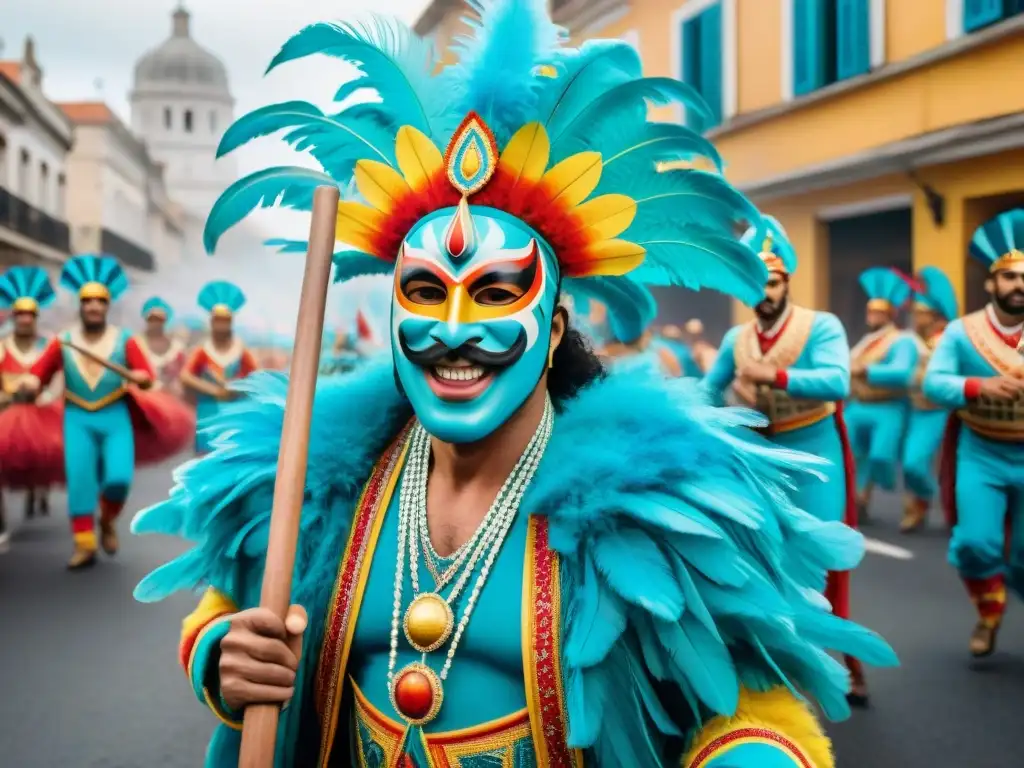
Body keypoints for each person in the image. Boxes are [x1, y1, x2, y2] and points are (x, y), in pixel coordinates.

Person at [132, 2, 895, 765]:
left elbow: (745, 698)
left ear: (555, 328)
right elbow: (228, 606)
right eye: (425, 293)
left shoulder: (655, 510)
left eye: (495, 294)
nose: (454, 328)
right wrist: (222, 658)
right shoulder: (314, 481)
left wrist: (751, 753)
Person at [702, 217, 869, 705]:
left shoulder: (822, 326)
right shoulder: (736, 339)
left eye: (772, 282)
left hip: (815, 450)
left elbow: (838, 381)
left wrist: (772, 375)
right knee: (761, 559)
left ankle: (816, 669)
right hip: (764, 455)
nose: (765, 293)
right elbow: (709, 389)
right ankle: (777, 658)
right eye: (756, 283)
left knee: (816, 560)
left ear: (787, 282)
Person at [923, 208, 1024, 658]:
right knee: (976, 543)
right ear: (991, 283)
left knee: (1022, 557)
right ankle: (988, 610)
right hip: (981, 451)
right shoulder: (962, 333)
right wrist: (979, 385)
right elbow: (932, 384)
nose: (1020, 285)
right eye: (1010, 276)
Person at [22, 254, 157, 569]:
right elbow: (39, 373)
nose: (94, 306)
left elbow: (147, 376)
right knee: (80, 480)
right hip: (77, 418)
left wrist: (142, 378)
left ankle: (107, 519)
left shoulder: (125, 341)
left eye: (100, 301)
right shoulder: (64, 341)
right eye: (88, 301)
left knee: (119, 479)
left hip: (115, 417)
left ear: (107, 306)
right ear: (80, 306)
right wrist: (29, 383)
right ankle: (84, 545)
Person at [0, 267, 64, 550]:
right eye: (20, 315)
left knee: (47, 454)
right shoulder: (1, 346)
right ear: (13, 318)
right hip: (7, 412)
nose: (25, 320)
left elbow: (59, 378)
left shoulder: (49, 345)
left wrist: (46, 395)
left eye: (30, 316)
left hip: (41, 410)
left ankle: (39, 490)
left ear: (36, 318)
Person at [845, 267, 915, 520]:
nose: (872, 315)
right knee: (851, 457)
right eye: (870, 310)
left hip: (888, 406)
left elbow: (902, 372)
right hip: (857, 406)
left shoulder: (902, 340)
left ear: (890, 314)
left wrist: (866, 370)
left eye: (878, 311)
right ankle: (858, 500)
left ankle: (905, 494)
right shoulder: (864, 342)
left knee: (880, 456)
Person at [900, 267, 958, 533]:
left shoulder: (945, 340)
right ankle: (922, 502)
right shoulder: (915, 339)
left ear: (933, 315)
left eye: (919, 313)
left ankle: (945, 506)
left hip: (940, 411)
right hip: (917, 409)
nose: (914, 317)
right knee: (912, 463)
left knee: (943, 465)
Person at [179, 280, 258, 454]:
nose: (221, 325)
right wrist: (212, 390)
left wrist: (236, 388)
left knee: (230, 456)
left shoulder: (241, 351)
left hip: (234, 414)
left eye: (225, 321)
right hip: (207, 412)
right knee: (204, 458)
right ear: (211, 322)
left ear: (231, 322)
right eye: (218, 321)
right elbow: (186, 376)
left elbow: (256, 379)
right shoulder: (202, 351)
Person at [136, 296, 187, 395]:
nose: (156, 323)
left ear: (165, 321)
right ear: (146, 320)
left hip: (170, 399)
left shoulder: (177, 349)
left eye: (159, 320)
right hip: (142, 398)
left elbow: (183, 377)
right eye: (152, 319)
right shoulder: (136, 344)